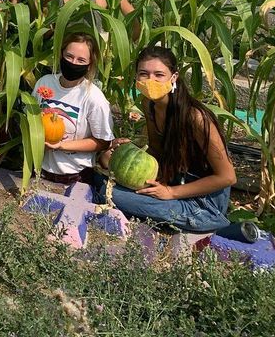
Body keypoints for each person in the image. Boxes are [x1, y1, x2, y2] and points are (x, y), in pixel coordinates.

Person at [95, 46, 236, 233]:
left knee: (114, 195)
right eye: (143, 74)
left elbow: (227, 177)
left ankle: (216, 225)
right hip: (174, 179)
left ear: (174, 77)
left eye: (159, 75)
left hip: (203, 202)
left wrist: (171, 193)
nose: (150, 80)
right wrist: (123, 154)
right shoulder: (149, 103)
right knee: (102, 179)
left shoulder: (196, 118)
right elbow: (155, 151)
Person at [33, 33, 114, 185]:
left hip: (75, 176)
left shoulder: (94, 98)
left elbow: (103, 142)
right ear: (61, 55)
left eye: (81, 60)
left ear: (90, 64)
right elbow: (30, 118)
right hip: (39, 169)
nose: (73, 63)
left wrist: (61, 145)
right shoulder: (45, 83)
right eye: (69, 56)